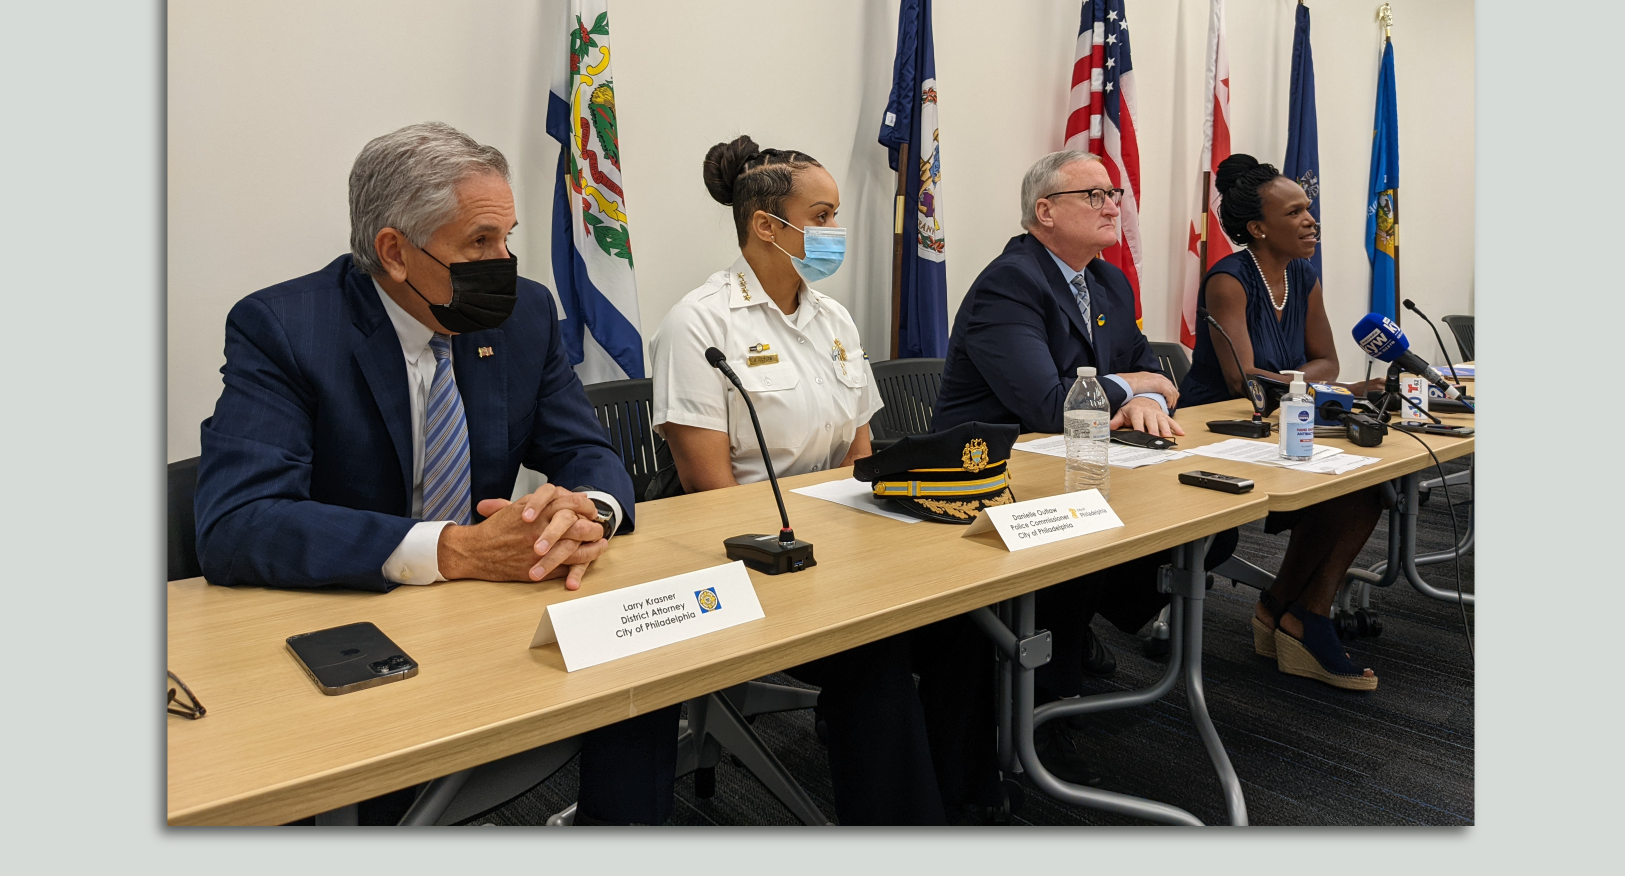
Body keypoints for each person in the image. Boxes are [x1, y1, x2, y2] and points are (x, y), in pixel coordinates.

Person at [193, 122, 679, 823]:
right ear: (394, 251)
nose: (505, 262)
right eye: (480, 243)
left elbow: (586, 451)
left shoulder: (525, 316)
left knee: (647, 680)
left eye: (508, 239)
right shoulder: (285, 328)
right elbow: (237, 522)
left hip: (492, 619)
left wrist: (588, 513)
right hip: (356, 624)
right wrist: (454, 550)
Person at [647, 135, 944, 825]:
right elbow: (708, 494)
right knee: (877, 653)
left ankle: (969, 795)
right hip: (755, 556)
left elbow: (859, 453)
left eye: (835, 214)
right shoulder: (699, 322)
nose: (834, 231)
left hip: (846, 538)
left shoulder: (833, 317)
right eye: (822, 215)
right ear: (766, 225)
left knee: (958, 621)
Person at [926, 149, 1234, 792]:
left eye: (1114, 194)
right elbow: (1044, 403)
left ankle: (1074, 638)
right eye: (1095, 196)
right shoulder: (1010, 282)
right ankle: (1041, 708)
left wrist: (1146, 395)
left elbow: (1149, 368)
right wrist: (1136, 385)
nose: (1113, 205)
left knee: (1212, 527)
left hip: (1079, 464)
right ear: (1046, 212)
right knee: (1084, 551)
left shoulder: (1108, 281)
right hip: (990, 479)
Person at [1178, 153, 1384, 692]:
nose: (1310, 221)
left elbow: (1328, 361)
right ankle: (1295, 614)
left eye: (1309, 209)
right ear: (1258, 228)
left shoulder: (1304, 275)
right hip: (1215, 430)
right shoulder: (1228, 280)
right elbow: (1243, 380)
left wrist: (1310, 383)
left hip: (1281, 418)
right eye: (1294, 212)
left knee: (1361, 489)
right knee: (1344, 489)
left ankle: (1289, 611)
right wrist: (1325, 387)